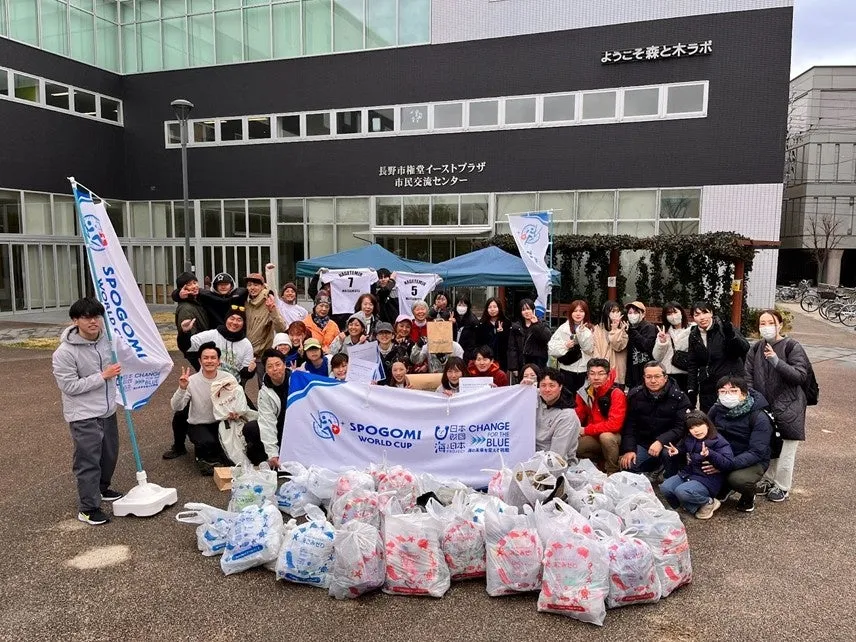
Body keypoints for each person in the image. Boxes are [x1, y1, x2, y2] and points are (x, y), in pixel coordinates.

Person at [52, 297, 123, 525]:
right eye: (86, 317)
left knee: (109, 456)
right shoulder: (64, 353)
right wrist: (103, 376)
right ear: (75, 321)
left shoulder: (107, 341)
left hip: (108, 410)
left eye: (97, 316)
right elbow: (69, 386)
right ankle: (88, 508)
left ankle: (101, 489)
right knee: (88, 461)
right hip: (83, 415)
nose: (93, 321)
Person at [745, 309, 810, 503]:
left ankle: (782, 486)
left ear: (780, 325)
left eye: (770, 323)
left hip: (790, 405)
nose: (766, 327)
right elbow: (748, 376)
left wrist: (775, 360)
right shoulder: (756, 348)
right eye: (762, 323)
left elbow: (800, 376)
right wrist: (755, 399)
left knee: (787, 448)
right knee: (770, 445)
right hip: (765, 405)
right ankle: (769, 479)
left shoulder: (792, 346)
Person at [706, 375, 773, 514]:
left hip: (753, 461)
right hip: (724, 455)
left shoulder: (759, 417)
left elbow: (757, 452)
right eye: (723, 391)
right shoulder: (716, 409)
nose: (727, 395)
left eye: (733, 391)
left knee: (738, 479)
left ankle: (749, 495)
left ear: (743, 394)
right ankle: (725, 487)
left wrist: (725, 464)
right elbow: (705, 433)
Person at [171, 342, 236, 476]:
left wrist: (236, 412)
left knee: (229, 456)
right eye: (205, 358)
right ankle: (201, 454)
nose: (209, 361)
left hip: (222, 422)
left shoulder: (228, 378)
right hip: (199, 423)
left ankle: (214, 451)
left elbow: (236, 400)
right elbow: (176, 406)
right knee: (207, 444)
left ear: (219, 361)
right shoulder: (192, 381)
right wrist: (182, 388)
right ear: (200, 361)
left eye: (213, 358)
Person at [619, 361, 691, 477]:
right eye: (649, 377)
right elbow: (630, 425)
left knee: (668, 455)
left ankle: (670, 476)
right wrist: (629, 449)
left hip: (670, 443)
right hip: (644, 443)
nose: (653, 381)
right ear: (644, 377)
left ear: (665, 378)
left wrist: (661, 441)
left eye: (657, 376)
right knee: (628, 465)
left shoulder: (679, 397)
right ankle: (654, 468)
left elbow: (681, 428)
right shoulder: (635, 395)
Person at [167, 271, 210, 460]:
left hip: (209, 354)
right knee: (191, 399)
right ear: (182, 289)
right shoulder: (186, 308)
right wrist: (205, 359)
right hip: (201, 356)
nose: (194, 286)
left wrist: (177, 294)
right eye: (188, 284)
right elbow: (189, 341)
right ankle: (179, 444)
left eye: (195, 282)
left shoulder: (198, 299)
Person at [661, 411, 734, 519]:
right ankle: (683, 507)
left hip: (708, 478)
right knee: (666, 487)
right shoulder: (689, 438)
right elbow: (683, 448)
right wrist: (677, 451)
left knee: (682, 491)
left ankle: (709, 502)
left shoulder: (718, 441)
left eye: (699, 425)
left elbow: (728, 463)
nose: (696, 430)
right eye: (691, 427)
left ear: (707, 425)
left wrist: (710, 454)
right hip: (689, 473)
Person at [686, 301, 750, 411]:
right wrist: (691, 388)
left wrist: (731, 336)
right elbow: (692, 363)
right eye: (697, 315)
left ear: (711, 313)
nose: (702, 317)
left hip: (729, 384)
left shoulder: (723, 328)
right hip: (707, 386)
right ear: (693, 318)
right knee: (709, 417)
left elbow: (743, 349)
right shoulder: (694, 335)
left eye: (705, 312)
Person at [574, 358, 625, 474]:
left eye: (601, 374)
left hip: (614, 437)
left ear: (608, 375)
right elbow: (578, 416)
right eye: (592, 374)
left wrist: (586, 430)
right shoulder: (584, 392)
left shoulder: (616, 393)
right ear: (588, 376)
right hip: (594, 435)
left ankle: (612, 470)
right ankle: (601, 462)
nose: (596, 377)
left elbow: (614, 425)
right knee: (574, 445)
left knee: (606, 437)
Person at [243, 349, 289, 468]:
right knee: (251, 428)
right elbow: (267, 423)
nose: (275, 369)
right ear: (266, 370)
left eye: (278, 364)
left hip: (296, 428)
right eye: (270, 366)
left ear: (284, 365)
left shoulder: (297, 381)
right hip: (278, 428)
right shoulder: (264, 393)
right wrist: (272, 453)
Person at [188, 306, 255, 384]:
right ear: (226, 319)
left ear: (243, 323)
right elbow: (187, 345)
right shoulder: (212, 335)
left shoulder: (246, 344)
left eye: (239, 320)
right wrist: (185, 332)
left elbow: (245, 373)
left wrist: (250, 370)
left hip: (232, 386)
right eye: (232, 318)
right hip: (208, 383)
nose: (234, 322)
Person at [244, 272, 287, 385]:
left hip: (262, 354)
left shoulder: (268, 301)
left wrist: (272, 310)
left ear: (262, 286)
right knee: (240, 383)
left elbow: (281, 328)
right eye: (249, 285)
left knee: (264, 384)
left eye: (256, 285)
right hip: (245, 352)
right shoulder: (245, 302)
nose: (252, 288)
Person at [535, 367, 581, 462]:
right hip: (532, 456)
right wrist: (523, 387)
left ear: (560, 387)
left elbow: (557, 455)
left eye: (552, 386)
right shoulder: (536, 398)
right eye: (543, 385)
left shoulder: (567, 415)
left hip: (556, 462)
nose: (547, 390)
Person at [549, 299, 595, 392]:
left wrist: (582, 333)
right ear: (571, 313)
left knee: (582, 397)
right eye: (575, 311)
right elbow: (551, 348)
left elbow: (588, 349)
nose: (578, 314)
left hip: (583, 369)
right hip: (566, 368)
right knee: (567, 396)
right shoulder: (563, 328)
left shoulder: (590, 329)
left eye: (581, 311)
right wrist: (565, 346)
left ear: (585, 313)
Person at [652, 302, 692, 394]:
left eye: (675, 312)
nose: (673, 316)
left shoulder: (693, 330)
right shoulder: (664, 332)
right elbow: (657, 357)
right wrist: (662, 342)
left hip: (686, 374)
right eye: (669, 314)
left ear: (681, 312)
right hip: (667, 375)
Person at [508, 298, 552, 377]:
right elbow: (512, 348)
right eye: (523, 310)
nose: (526, 312)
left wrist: (536, 324)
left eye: (528, 309)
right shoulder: (516, 327)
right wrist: (514, 367)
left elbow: (547, 338)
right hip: (522, 364)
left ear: (533, 310)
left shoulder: (542, 323)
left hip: (538, 363)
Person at [591, 300, 628, 385]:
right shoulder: (598, 329)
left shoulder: (623, 328)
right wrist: (600, 369)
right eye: (613, 311)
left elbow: (618, 347)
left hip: (617, 374)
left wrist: (615, 329)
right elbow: (595, 350)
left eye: (617, 311)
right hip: (601, 374)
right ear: (606, 313)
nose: (615, 314)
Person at [624, 301, 658, 390]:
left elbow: (646, 346)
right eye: (630, 313)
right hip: (633, 375)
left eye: (635, 312)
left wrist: (632, 331)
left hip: (647, 374)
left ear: (643, 314)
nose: (632, 315)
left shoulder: (649, 327)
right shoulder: (627, 329)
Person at [475, 297, 510, 372]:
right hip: (486, 359)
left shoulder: (506, 323)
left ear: (499, 308)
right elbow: (478, 343)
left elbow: (508, 343)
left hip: (502, 359)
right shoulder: (481, 324)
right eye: (490, 307)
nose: (492, 309)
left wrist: (501, 333)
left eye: (495, 307)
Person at [453, 296, 480, 361]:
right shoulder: (451, 315)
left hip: (467, 354)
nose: (461, 307)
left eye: (464, 305)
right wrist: (450, 324)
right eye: (459, 305)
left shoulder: (473, 321)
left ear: (468, 306)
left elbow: (474, 342)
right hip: (452, 352)